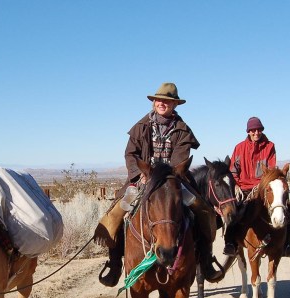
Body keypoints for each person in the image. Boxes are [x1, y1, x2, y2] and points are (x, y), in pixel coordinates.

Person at [94, 82, 224, 287]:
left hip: (173, 180)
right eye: (159, 100)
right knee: (117, 212)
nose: (162, 103)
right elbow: (131, 154)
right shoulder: (140, 127)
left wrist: (166, 176)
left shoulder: (182, 130)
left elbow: (180, 159)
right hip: (143, 178)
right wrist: (140, 174)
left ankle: (206, 260)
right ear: (154, 102)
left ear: (175, 105)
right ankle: (115, 263)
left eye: (167, 101)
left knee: (202, 210)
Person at [222, 116, 290, 257]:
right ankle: (230, 243)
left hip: (262, 187)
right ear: (248, 131)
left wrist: (262, 185)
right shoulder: (239, 148)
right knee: (233, 209)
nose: (256, 133)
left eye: (259, 130)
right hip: (243, 188)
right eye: (253, 130)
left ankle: (287, 244)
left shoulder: (269, 146)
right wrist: (237, 185)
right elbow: (233, 170)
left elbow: (271, 169)